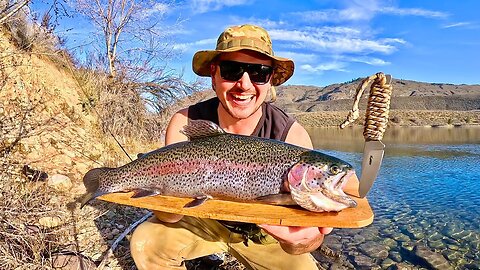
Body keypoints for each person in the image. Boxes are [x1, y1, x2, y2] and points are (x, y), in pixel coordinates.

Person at [130, 24, 334, 270]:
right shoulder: (185, 122)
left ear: (269, 80)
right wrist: (166, 200)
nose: (244, 84)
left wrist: (305, 239)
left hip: (265, 232)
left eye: (258, 72)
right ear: (214, 74)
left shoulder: (292, 135)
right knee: (146, 243)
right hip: (202, 220)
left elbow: (303, 242)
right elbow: (171, 215)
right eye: (232, 70)